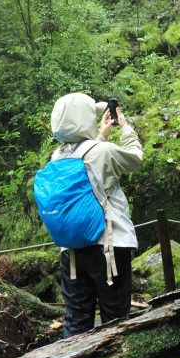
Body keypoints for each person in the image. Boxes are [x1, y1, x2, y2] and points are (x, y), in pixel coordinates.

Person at [48, 93, 143, 337]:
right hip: (109, 246)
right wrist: (125, 127)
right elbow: (135, 159)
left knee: (76, 321)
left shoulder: (56, 157)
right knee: (116, 320)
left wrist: (100, 135)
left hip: (72, 252)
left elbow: (85, 162)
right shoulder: (103, 151)